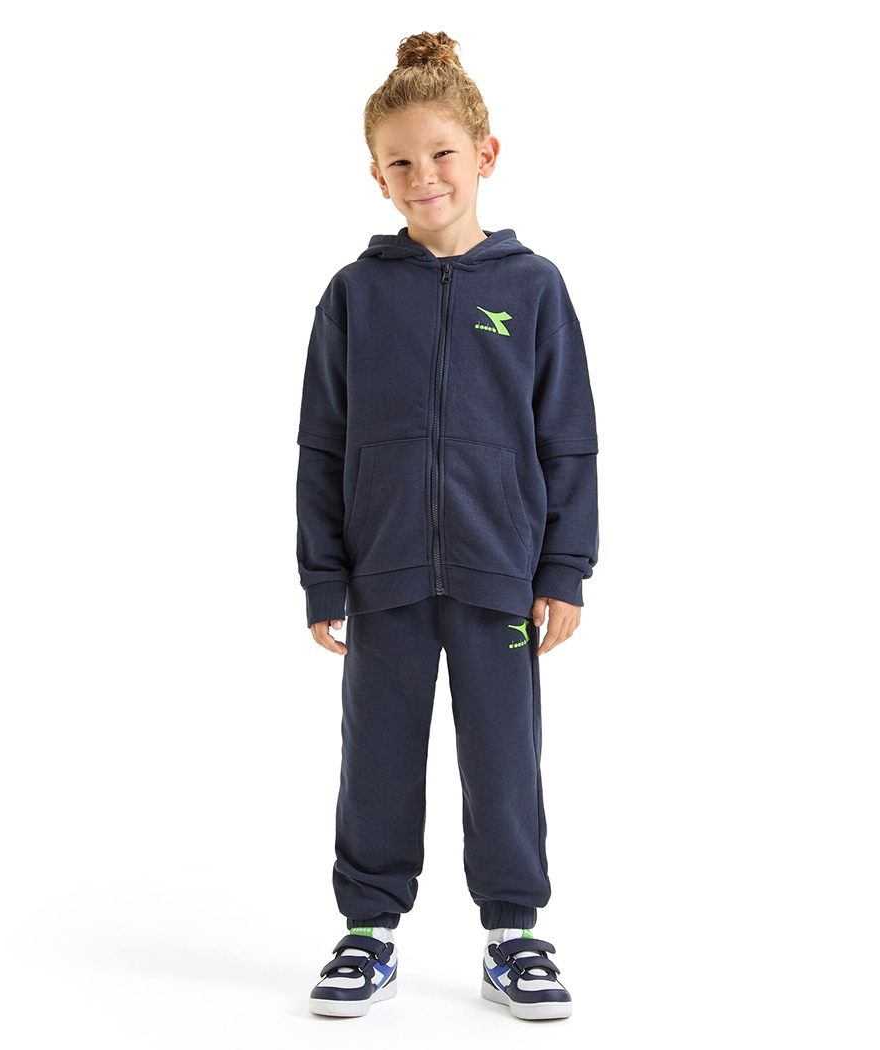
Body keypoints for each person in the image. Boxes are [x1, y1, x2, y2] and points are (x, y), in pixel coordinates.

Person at [295, 30, 598, 1022]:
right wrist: (324, 573)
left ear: (486, 155)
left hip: (499, 573)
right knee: (376, 756)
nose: (423, 177)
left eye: (441, 154)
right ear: (376, 176)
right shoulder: (354, 295)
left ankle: (514, 935)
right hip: (382, 575)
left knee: (504, 759)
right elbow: (322, 444)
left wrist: (564, 567)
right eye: (400, 162)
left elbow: (568, 440)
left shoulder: (533, 288)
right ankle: (367, 930)